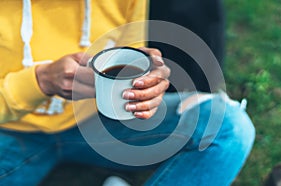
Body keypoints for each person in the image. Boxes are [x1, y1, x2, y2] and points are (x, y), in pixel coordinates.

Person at [0, 1, 255, 186]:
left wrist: (148, 86)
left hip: (95, 122)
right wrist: (39, 82)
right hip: (10, 132)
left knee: (228, 127)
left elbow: (131, 53)